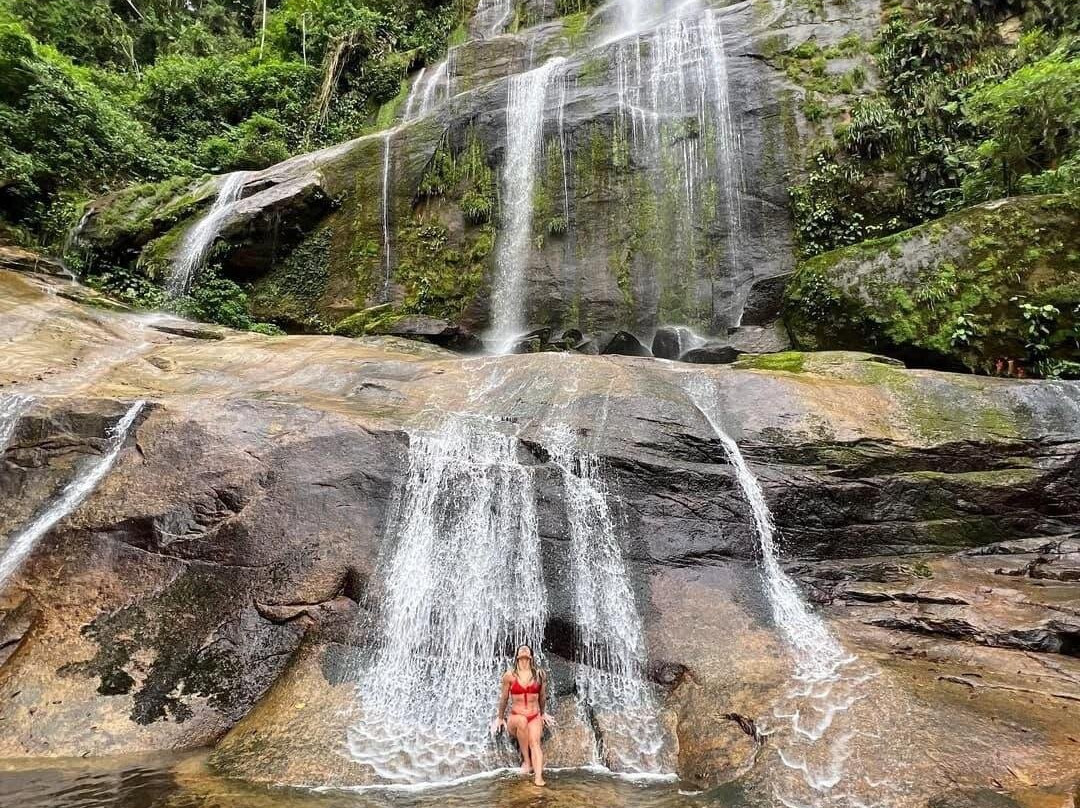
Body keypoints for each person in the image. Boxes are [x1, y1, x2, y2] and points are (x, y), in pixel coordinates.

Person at [491, 644, 554, 786]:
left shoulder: (539, 674)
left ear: (531, 655)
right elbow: (504, 698)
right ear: (517, 656)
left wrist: (543, 714)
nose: (524, 649)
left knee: (535, 743)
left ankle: (538, 777)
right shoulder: (509, 675)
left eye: (527, 648)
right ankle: (526, 761)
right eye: (521, 649)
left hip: (534, 716)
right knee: (521, 721)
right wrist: (500, 718)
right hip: (516, 717)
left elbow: (542, 696)